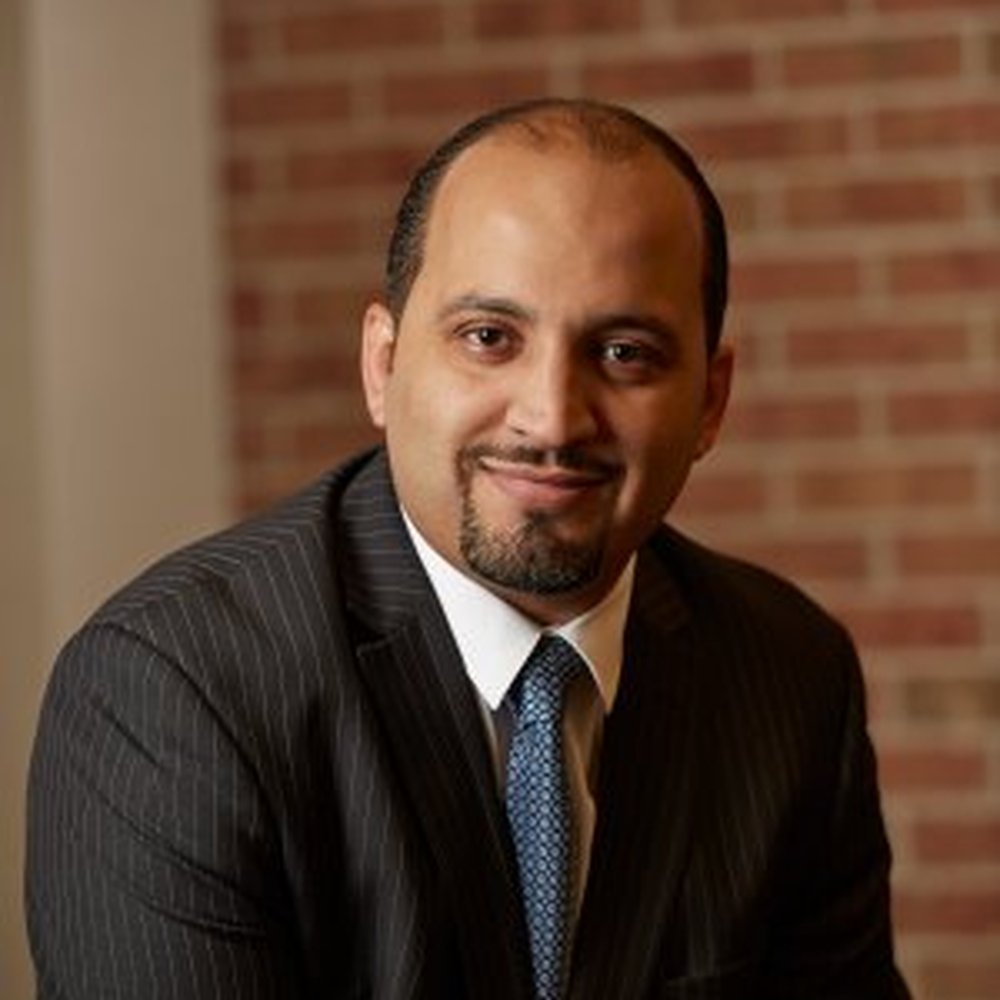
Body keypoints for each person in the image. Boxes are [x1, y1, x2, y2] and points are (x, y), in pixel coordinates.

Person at [27, 98, 910, 999]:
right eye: (489, 338)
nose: (552, 418)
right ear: (383, 364)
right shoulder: (176, 691)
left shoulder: (788, 674)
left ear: (711, 403)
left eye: (624, 352)